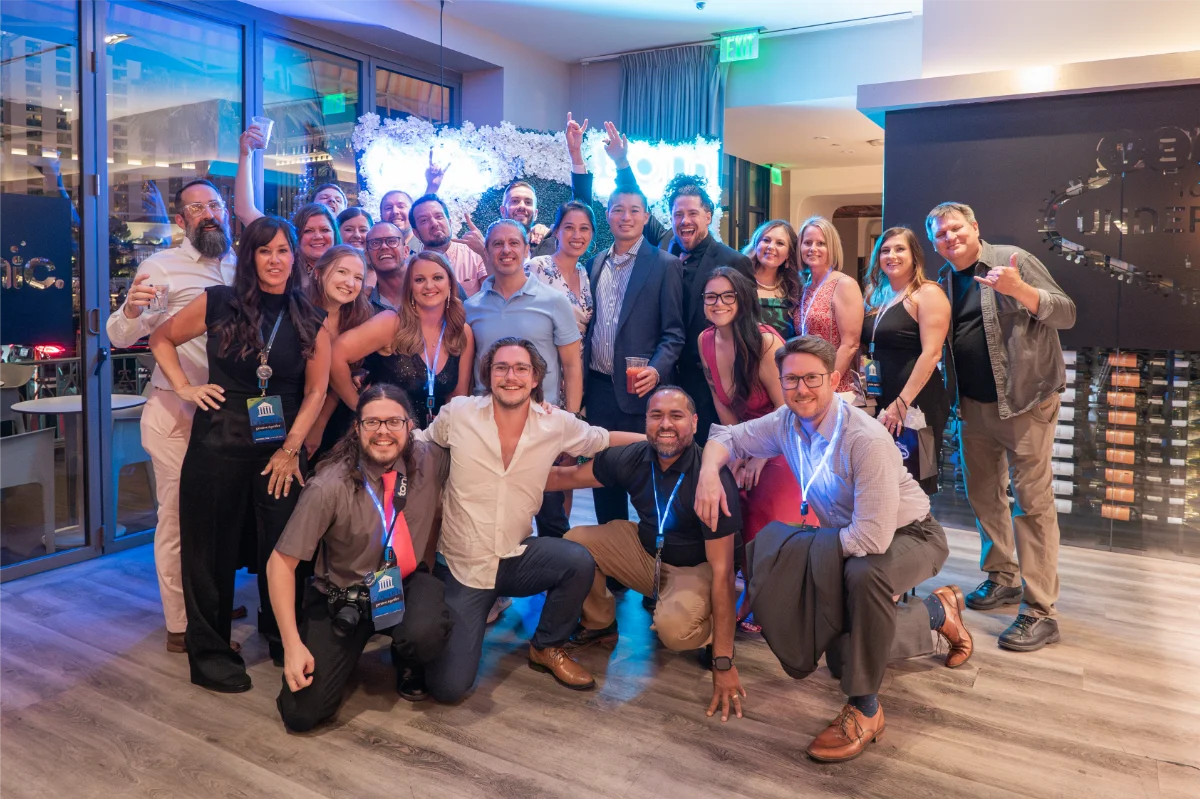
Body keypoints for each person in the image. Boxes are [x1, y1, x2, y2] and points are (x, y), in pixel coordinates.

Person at [695, 335, 974, 762]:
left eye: (812, 378)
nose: (801, 389)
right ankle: (937, 612)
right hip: (854, 542)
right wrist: (709, 475)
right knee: (843, 656)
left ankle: (865, 708)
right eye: (791, 380)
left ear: (835, 379)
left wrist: (804, 550)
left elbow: (872, 540)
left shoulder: (865, 439)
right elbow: (726, 438)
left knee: (863, 576)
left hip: (911, 536)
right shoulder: (785, 421)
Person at [149, 215, 331, 693]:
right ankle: (208, 652)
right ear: (249, 256)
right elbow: (160, 338)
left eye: (284, 251)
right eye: (265, 250)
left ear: (296, 259)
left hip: (280, 454)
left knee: (284, 547)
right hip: (218, 445)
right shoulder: (218, 302)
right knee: (209, 552)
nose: (276, 260)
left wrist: (292, 450)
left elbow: (315, 393)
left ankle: (280, 636)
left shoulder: (310, 317)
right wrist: (185, 387)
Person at [415, 338, 643, 702]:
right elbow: (419, 444)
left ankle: (547, 645)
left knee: (577, 559)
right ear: (488, 375)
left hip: (513, 556)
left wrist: (661, 441)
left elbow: (601, 440)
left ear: (536, 377)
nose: (511, 376)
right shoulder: (458, 414)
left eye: (521, 368)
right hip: (463, 566)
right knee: (449, 688)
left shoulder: (555, 424)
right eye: (501, 368)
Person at [927, 201, 1076, 651]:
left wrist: (1023, 291)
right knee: (982, 494)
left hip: (1026, 403)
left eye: (956, 228)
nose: (950, 238)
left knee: (1031, 503)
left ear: (975, 227)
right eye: (940, 234)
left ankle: (1040, 610)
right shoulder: (941, 282)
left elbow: (1065, 313)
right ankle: (1002, 576)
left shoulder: (1013, 260)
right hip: (972, 406)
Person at [549, 386, 748, 721]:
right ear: (646, 422)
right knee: (575, 541)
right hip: (646, 551)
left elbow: (724, 573)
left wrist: (723, 661)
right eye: (656, 415)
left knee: (674, 632)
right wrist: (509, 471)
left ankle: (711, 625)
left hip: (696, 567)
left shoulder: (711, 478)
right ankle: (599, 624)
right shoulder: (635, 456)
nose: (665, 424)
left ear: (695, 423)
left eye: (676, 415)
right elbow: (564, 477)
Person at [269, 384, 453, 731]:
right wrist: (293, 647)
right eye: (372, 423)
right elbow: (280, 563)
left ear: (409, 425)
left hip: (405, 585)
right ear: (357, 428)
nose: (383, 431)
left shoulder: (430, 458)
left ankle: (407, 657)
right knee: (301, 714)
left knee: (425, 633)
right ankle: (342, 653)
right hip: (342, 596)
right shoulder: (328, 486)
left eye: (393, 422)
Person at [105, 178, 236, 653]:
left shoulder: (241, 266)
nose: (207, 213)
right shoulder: (162, 267)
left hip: (223, 412)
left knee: (218, 517)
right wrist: (128, 311)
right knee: (178, 519)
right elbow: (122, 335)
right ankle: (182, 625)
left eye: (214, 204)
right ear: (180, 220)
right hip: (174, 408)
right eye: (196, 207)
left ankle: (208, 603)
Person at [466, 220, 583, 541]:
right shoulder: (471, 307)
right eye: (497, 244)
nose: (506, 250)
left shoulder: (554, 301)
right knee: (491, 519)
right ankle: (495, 587)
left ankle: (558, 586)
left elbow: (573, 366)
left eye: (513, 243)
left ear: (526, 249)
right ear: (487, 253)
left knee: (551, 519)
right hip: (487, 430)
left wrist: (569, 426)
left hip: (542, 430)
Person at [583, 187, 685, 526]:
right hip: (598, 391)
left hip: (642, 392)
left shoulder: (665, 264)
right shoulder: (595, 263)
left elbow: (674, 333)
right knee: (603, 481)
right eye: (617, 210)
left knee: (650, 484)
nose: (626, 217)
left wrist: (656, 371)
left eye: (634, 210)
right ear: (608, 215)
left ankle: (655, 565)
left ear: (645, 216)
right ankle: (612, 572)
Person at [698, 267, 797, 541]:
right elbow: (722, 403)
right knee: (720, 489)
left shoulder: (766, 343)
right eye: (711, 297)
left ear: (742, 299)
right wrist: (739, 449)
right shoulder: (704, 341)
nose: (719, 304)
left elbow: (787, 409)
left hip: (783, 439)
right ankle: (730, 575)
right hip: (746, 438)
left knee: (764, 505)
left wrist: (760, 455)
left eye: (728, 296)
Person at [330, 250, 475, 430]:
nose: (429, 286)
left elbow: (457, 397)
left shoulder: (461, 332)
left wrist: (446, 424)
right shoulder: (391, 323)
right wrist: (359, 407)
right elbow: (336, 355)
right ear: (409, 287)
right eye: (419, 280)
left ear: (451, 284)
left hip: (435, 442)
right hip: (385, 437)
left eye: (437, 278)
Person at [663, 175, 755, 444]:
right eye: (678, 214)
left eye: (692, 213)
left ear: (708, 215)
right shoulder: (666, 255)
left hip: (713, 386)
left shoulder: (733, 260)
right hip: (668, 380)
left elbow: (747, 325)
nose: (684, 220)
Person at [427, 113, 595, 259]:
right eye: (515, 201)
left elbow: (582, 209)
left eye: (528, 202)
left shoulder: (551, 242)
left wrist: (575, 154)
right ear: (502, 211)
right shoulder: (488, 247)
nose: (522, 206)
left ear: (536, 214)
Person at [860, 227, 951, 494]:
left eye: (900, 249)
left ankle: (920, 534)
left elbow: (932, 353)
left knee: (919, 477)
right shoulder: (875, 295)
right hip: (881, 397)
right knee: (884, 477)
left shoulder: (928, 293)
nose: (892, 255)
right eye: (885, 250)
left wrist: (902, 403)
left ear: (914, 256)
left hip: (918, 401)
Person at [302, 245, 372, 460]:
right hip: (293, 410)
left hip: (336, 415)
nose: (350, 283)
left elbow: (337, 377)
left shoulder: (361, 316)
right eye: (342, 272)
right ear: (318, 272)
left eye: (358, 277)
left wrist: (320, 422)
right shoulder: (296, 311)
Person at [795, 216, 863, 395]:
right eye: (807, 242)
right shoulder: (804, 286)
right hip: (805, 381)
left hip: (835, 387)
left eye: (821, 243)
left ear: (831, 247)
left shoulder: (844, 284)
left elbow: (850, 344)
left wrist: (827, 383)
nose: (813, 249)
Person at [525, 200, 596, 335]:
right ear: (556, 231)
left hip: (580, 355)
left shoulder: (584, 273)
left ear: (591, 234)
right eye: (569, 227)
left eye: (584, 228)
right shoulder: (537, 267)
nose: (577, 235)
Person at [409, 194, 488, 297]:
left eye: (439, 216)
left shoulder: (475, 253)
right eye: (424, 220)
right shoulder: (413, 268)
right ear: (416, 233)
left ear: (450, 222)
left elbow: (495, 295)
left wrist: (485, 252)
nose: (434, 223)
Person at [745, 219, 801, 339]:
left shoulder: (796, 288)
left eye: (780, 243)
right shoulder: (738, 279)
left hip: (784, 356)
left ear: (788, 254)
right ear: (756, 244)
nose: (771, 247)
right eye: (766, 240)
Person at [364, 222, 410, 312]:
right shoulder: (362, 307)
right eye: (375, 243)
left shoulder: (428, 292)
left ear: (406, 251)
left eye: (392, 241)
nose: (384, 246)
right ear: (367, 256)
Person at [292, 203, 341, 277]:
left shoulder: (350, 269)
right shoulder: (286, 276)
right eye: (308, 231)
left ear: (334, 233)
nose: (318, 236)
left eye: (324, 230)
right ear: (296, 236)